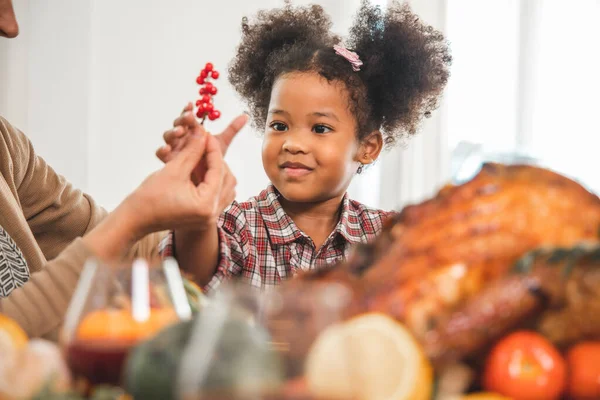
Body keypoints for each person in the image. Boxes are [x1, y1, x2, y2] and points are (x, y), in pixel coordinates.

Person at [158, 1, 452, 291]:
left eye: (320, 128)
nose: (293, 143)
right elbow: (191, 279)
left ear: (368, 146)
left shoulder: (385, 238)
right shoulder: (237, 225)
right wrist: (196, 218)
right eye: (280, 126)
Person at [0, 0, 246, 338]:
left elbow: (134, 255)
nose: (11, 26)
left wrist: (191, 221)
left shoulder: (6, 147)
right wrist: (133, 217)